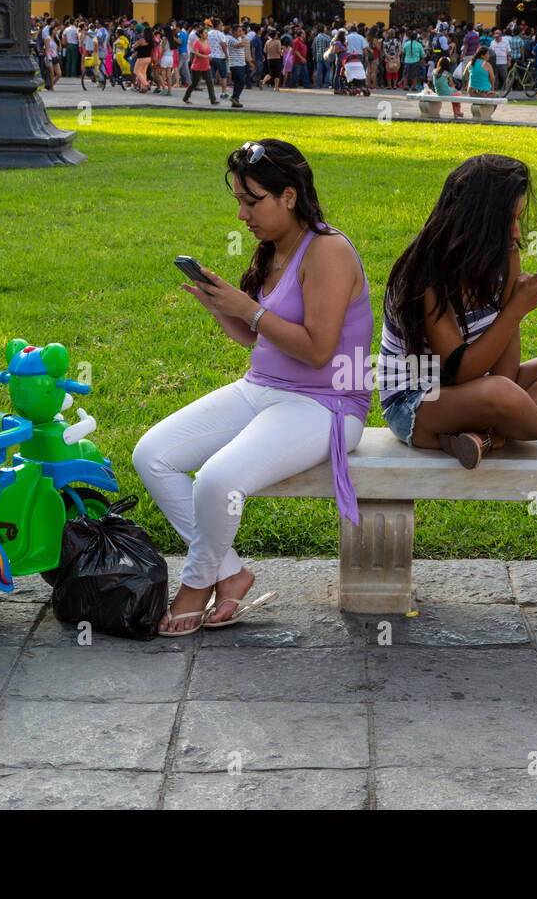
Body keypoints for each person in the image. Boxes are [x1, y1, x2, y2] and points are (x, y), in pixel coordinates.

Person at [133, 139, 372, 635]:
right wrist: (222, 307)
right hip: (262, 387)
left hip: (326, 404)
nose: (243, 214)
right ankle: (231, 573)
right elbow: (255, 336)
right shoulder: (275, 249)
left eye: (252, 200)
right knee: (152, 454)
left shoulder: (328, 250)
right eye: (239, 201)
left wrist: (249, 309)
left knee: (218, 479)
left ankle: (196, 586)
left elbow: (318, 350)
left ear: (289, 196)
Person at [377, 154, 537, 471]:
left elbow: (505, 375)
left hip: (484, 392)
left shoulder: (505, 258)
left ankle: (484, 434)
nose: (516, 233)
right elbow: (459, 373)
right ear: (477, 220)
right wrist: (514, 309)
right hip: (419, 403)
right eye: (508, 220)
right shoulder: (423, 277)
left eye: (518, 219)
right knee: (498, 394)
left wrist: (515, 308)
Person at [181, 25, 217, 104]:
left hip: (206, 66)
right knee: (194, 83)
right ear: (200, 34)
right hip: (197, 66)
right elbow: (196, 54)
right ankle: (186, 97)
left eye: (207, 33)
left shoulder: (207, 42)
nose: (207, 34)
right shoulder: (197, 43)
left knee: (210, 82)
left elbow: (209, 52)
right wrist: (206, 56)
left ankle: (213, 99)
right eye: (205, 33)